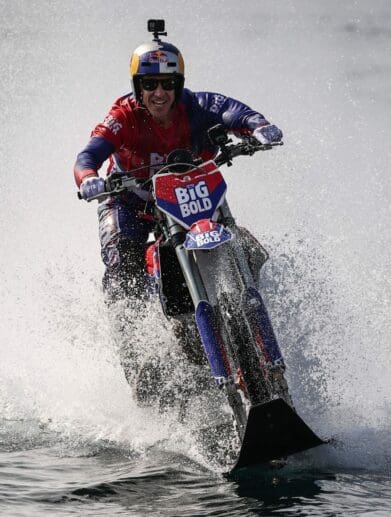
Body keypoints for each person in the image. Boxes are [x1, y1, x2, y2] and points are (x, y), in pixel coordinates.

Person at [74, 28, 282, 304]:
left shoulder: (199, 105)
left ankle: (259, 309)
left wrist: (260, 128)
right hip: (130, 204)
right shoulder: (122, 117)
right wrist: (89, 178)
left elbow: (237, 113)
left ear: (179, 84)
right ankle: (131, 338)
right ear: (137, 86)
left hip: (193, 198)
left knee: (247, 250)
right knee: (122, 269)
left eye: (168, 84)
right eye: (149, 84)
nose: (159, 93)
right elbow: (87, 157)